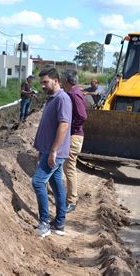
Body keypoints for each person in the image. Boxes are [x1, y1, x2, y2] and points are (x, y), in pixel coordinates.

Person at [32, 67, 72, 237]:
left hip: (55, 152)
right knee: (56, 185)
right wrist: (42, 149)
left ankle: (45, 223)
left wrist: (53, 151)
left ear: (56, 81)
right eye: (41, 82)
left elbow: (64, 125)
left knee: (38, 182)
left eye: (45, 82)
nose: (42, 85)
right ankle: (59, 223)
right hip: (48, 150)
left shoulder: (62, 99)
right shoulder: (52, 98)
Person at [62, 70, 87, 213]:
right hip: (74, 135)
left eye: (62, 79)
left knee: (69, 168)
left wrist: (70, 130)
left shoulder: (74, 94)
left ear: (67, 81)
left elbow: (82, 116)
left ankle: (72, 200)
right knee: (66, 167)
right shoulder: (76, 92)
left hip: (74, 136)